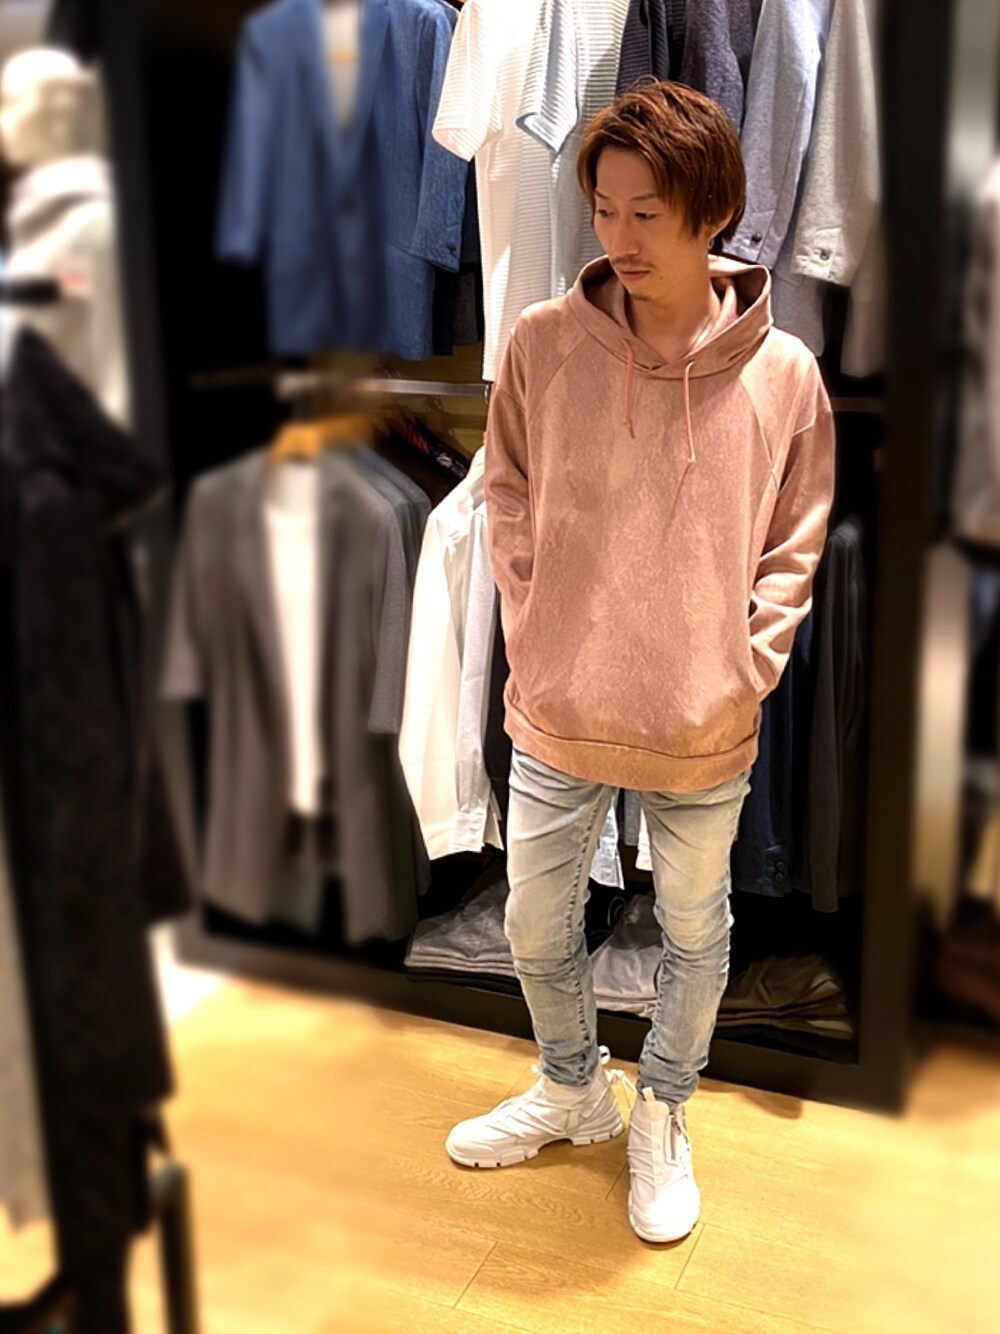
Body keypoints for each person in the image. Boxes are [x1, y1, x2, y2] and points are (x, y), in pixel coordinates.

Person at [445, 81, 835, 1244]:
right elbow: (507, 487)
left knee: (695, 930)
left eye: (646, 213)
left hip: (702, 711)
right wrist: (535, 620)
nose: (618, 235)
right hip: (560, 696)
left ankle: (663, 1105)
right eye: (604, 209)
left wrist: (747, 659)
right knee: (533, 922)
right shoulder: (542, 341)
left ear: (713, 212)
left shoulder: (784, 372)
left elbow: (797, 533)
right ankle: (572, 1085)